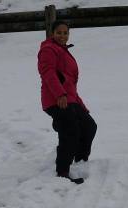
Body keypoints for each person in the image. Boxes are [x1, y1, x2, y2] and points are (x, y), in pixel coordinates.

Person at [38, 20, 97, 184]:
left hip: (70, 98)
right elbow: (48, 74)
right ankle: (62, 172)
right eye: (59, 32)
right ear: (52, 33)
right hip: (55, 100)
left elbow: (70, 84)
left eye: (65, 33)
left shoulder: (63, 50)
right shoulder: (48, 50)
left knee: (89, 126)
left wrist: (82, 106)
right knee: (70, 131)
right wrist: (60, 95)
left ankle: (80, 161)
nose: (62, 36)